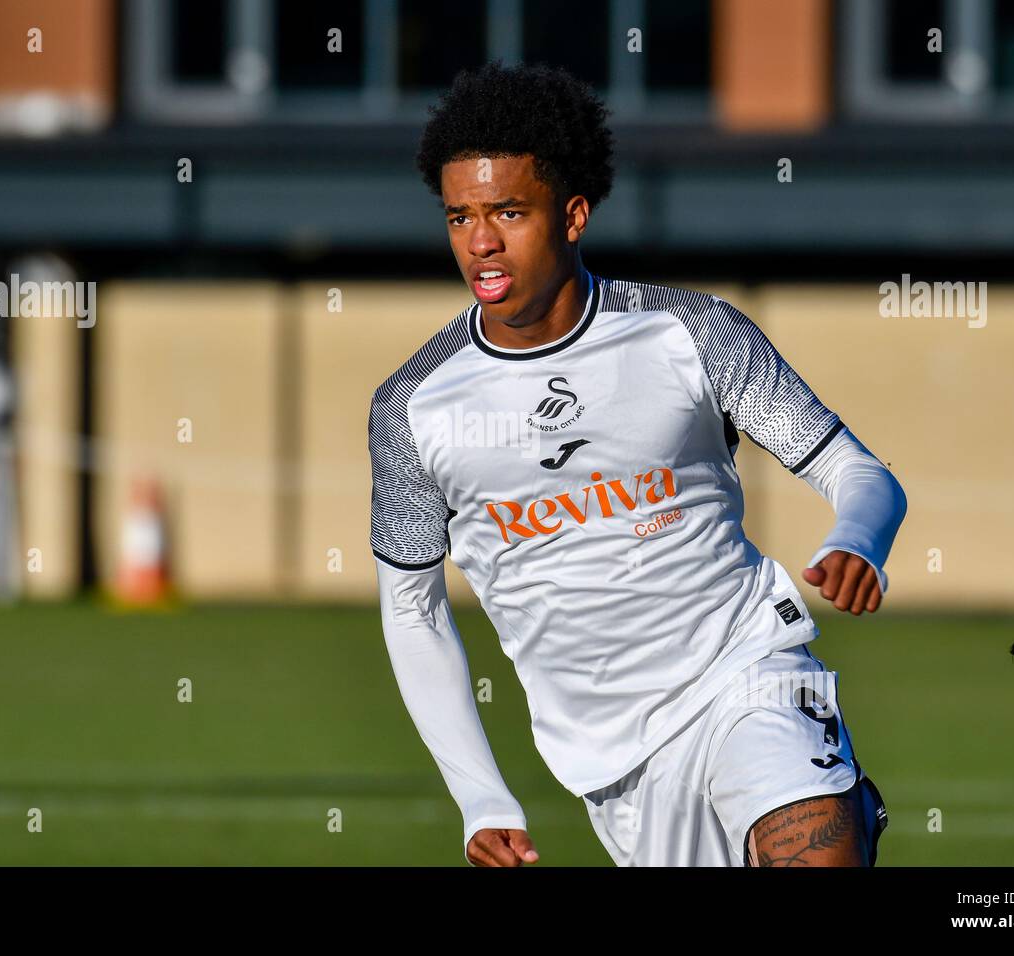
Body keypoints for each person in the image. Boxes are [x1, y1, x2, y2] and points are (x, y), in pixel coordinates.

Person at [368, 62, 906, 866]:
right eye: (460, 217)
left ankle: (833, 799)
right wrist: (482, 797)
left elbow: (862, 474)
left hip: (746, 671)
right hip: (612, 760)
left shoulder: (692, 334)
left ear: (574, 213)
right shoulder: (412, 406)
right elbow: (413, 611)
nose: (481, 241)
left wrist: (857, 540)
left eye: (509, 212)